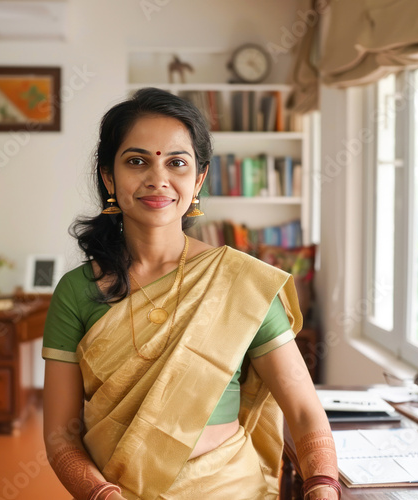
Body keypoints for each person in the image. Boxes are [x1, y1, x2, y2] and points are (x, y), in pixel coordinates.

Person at [42, 87, 341, 500]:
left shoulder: (242, 282)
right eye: (136, 161)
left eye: (176, 163)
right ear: (109, 176)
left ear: (198, 178)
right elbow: (60, 436)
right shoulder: (77, 292)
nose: (157, 179)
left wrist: (322, 487)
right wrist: (102, 495)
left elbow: (306, 412)